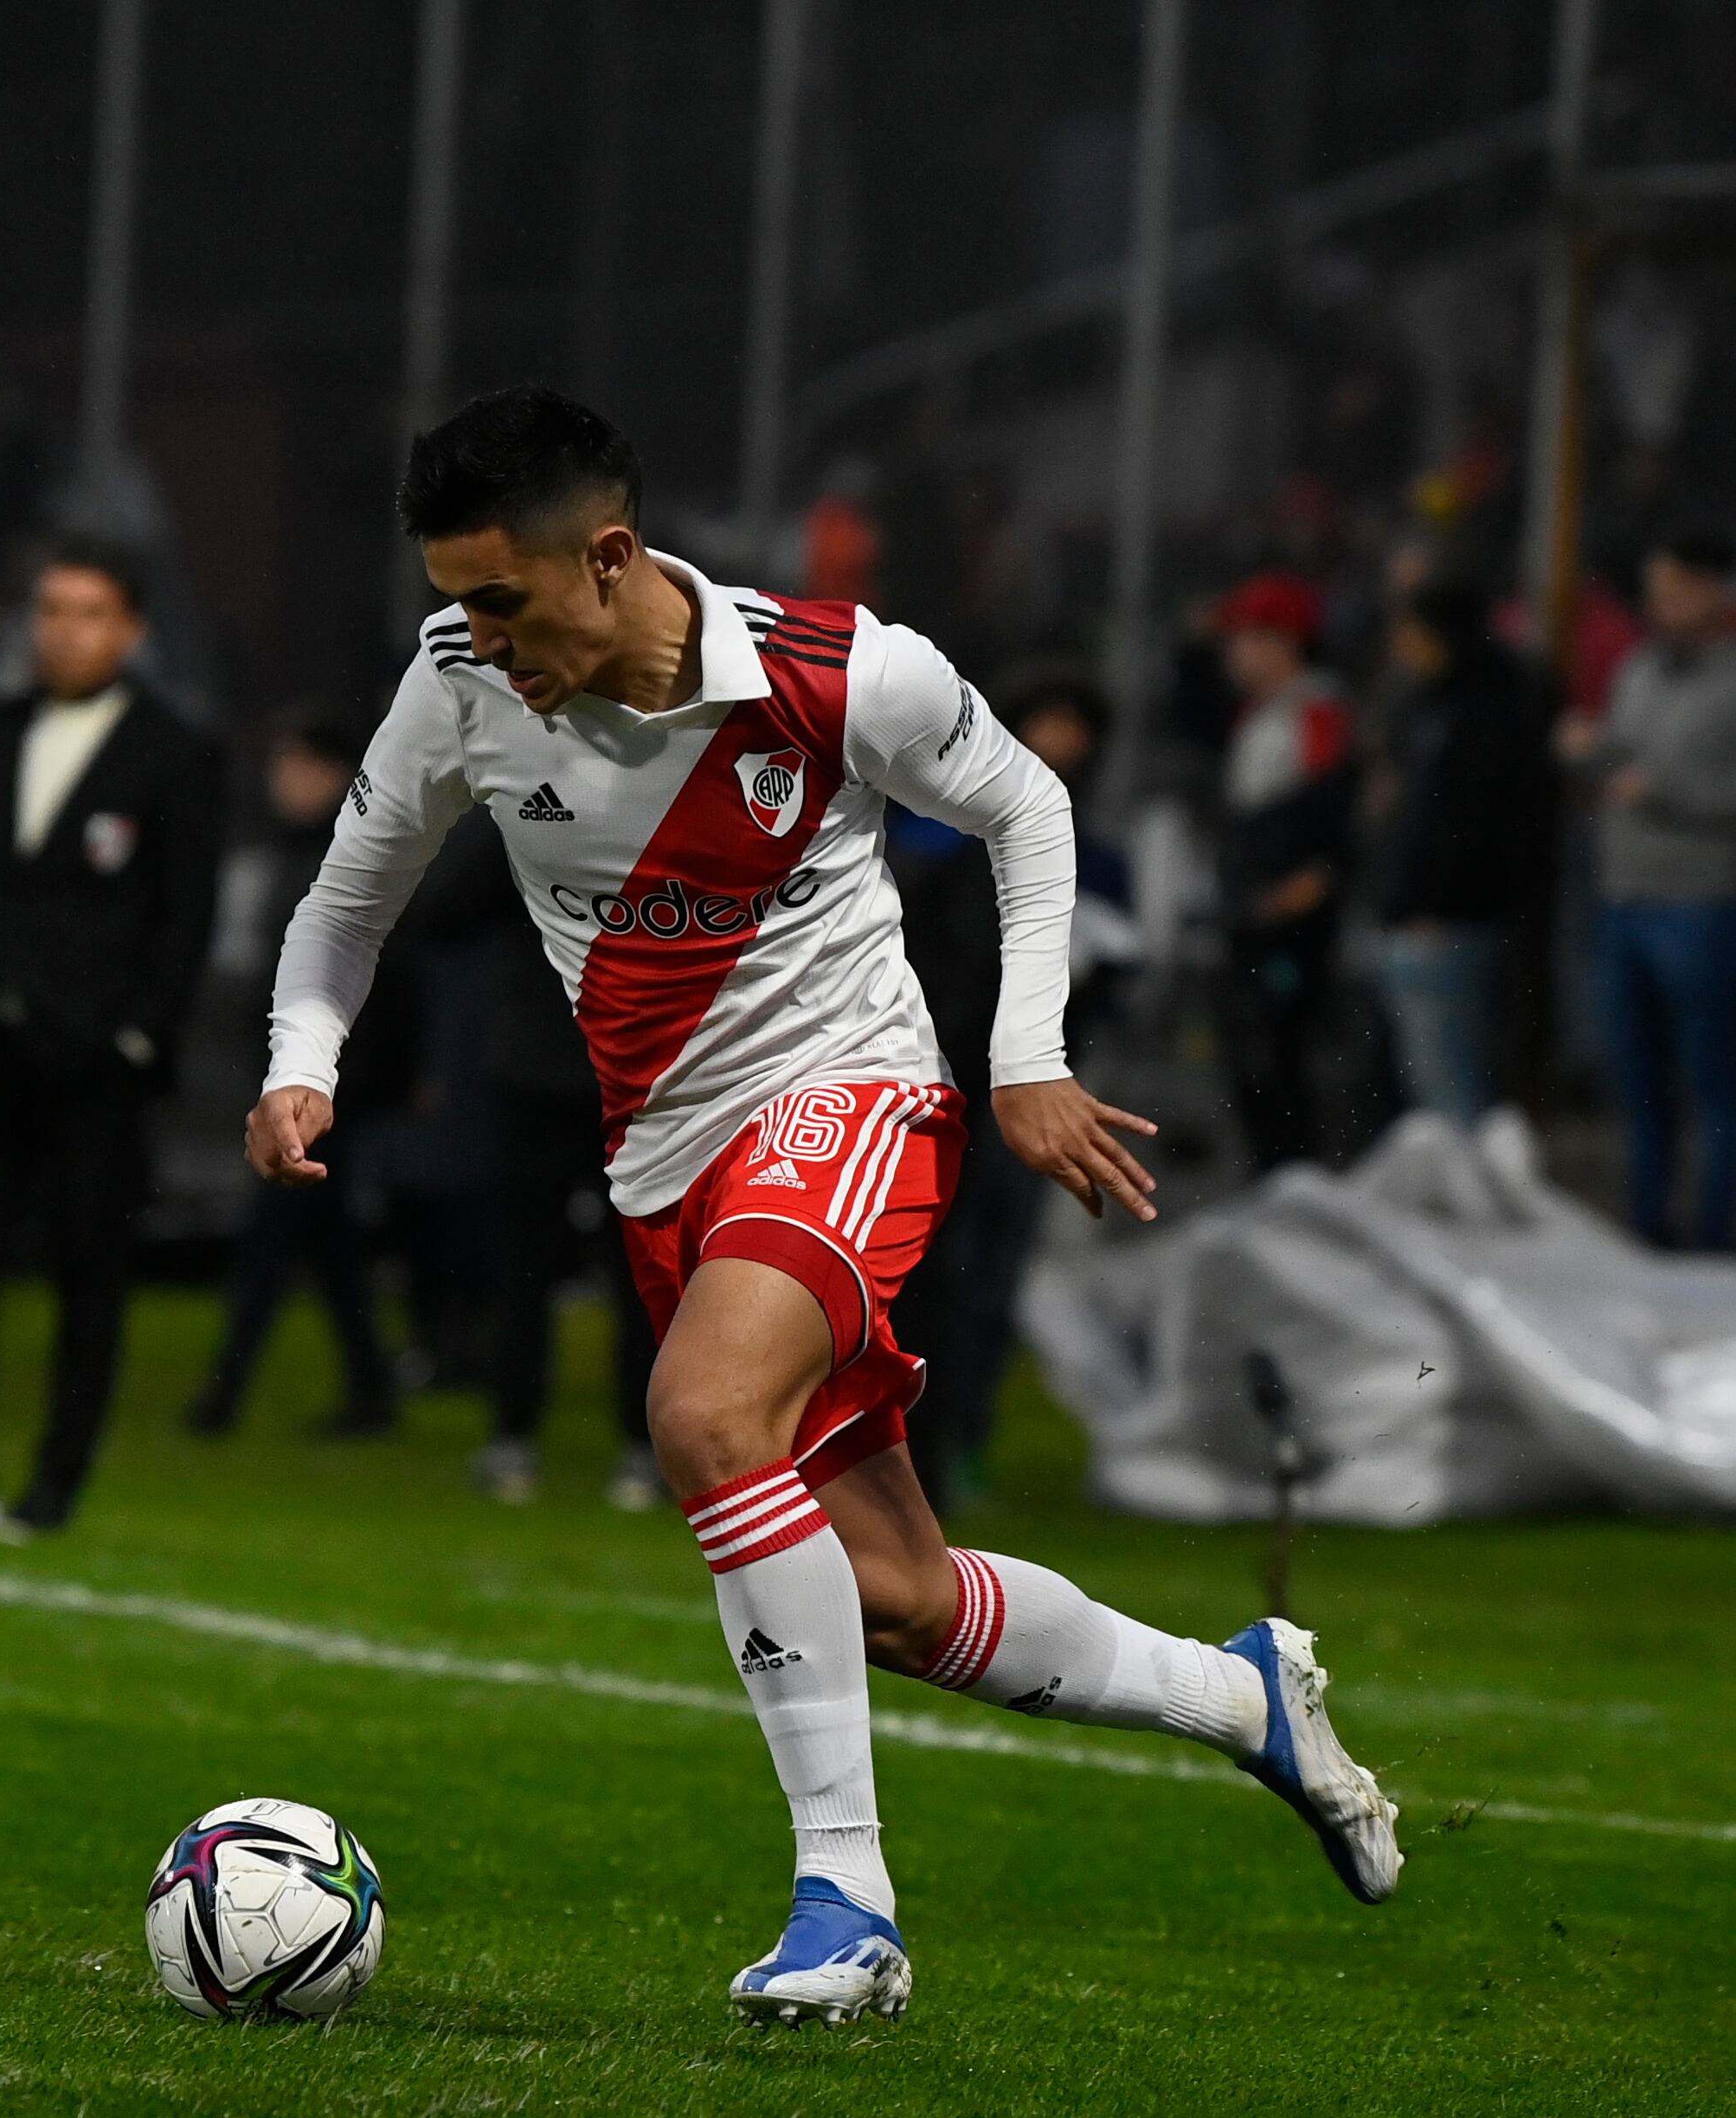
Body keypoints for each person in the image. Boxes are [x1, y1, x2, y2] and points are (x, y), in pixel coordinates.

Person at [250, 387, 1398, 2029]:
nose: (477, 636)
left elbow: (1029, 807)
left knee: (707, 1414)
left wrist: (1025, 1057)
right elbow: (341, 907)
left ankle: (846, 1902)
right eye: (453, 599)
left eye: (500, 598)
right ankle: (1245, 1697)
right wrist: (307, 1061)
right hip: (667, 1163)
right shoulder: (453, 692)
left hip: (848, 1101)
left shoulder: (839, 667)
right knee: (900, 1596)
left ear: (613, 555)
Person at [0, 539, 225, 1538]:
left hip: (91, 1058)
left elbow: (180, 915)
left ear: (131, 630)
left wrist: (138, 1036)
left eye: (88, 611)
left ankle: (55, 1478)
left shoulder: (173, 750)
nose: (63, 630)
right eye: (51, 609)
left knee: (86, 1267)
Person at [889, 672, 1107, 1508]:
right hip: (942, 1079)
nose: (1062, 741)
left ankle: (950, 1446)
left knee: (984, 1269)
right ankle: (909, 1455)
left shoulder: (1075, 836)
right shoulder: (944, 831)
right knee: (923, 1269)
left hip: (1020, 1091)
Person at [410, 800, 659, 1510]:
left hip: (580, 1068)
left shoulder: (529, 800)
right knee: (626, 1270)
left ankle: (523, 1440)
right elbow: (444, 912)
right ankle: (628, 1449)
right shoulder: (667, 784)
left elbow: (442, 912)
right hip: (617, 1071)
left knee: (545, 1267)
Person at [184, 706, 405, 1439]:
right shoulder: (288, 852)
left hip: (327, 1087)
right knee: (319, 1240)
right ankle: (369, 1386)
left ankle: (224, 1391)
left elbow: (381, 971)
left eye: (299, 765)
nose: (284, 780)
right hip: (299, 1077)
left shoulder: (355, 856)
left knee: (275, 1232)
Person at [1561, 533, 1736, 1248]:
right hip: (1623, 897)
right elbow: (1624, 760)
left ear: (1714, 592)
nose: (1658, 604)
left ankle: (1710, 1242)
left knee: (1712, 1087)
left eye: (1672, 588)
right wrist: (1590, 749)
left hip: (1698, 903)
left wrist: (1663, 791)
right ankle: (1645, 1236)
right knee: (1636, 1087)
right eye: (1653, 588)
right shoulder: (1638, 670)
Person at [1369, 578, 1551, 1124]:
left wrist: (1439, 906)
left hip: (1446, 925)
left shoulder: (1482, 713)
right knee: (1423, 1086)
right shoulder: (1432, 705)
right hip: (1415, 916)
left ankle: (1463, 1203)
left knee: (1447, 1088)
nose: (1400, 644)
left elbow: (1472, 826)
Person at [1209, 572, 1358, 1171]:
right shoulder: (1258, 713)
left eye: (1247, 638)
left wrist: (1305, 884)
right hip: (1253, 911)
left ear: (1283, 641)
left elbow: (1328, 816)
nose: (1234, 653)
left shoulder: (1315, 712)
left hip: (1290, 923)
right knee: (1253, 1068)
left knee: (1284, 1067)